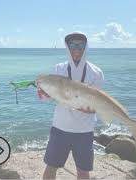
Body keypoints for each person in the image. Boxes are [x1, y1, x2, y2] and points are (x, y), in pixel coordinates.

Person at [41, 32, 104, 179]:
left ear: (86, 47)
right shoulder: (58, 69)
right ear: (67, 47)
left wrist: (89, 109)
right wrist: (43, 93)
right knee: (51, 167)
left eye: (80, 45)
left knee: (83, 171)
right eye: (72, 45)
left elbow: (96, 105)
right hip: (60, 128)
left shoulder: (96, 73)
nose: (77, 48)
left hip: (85, 131)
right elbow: (45, 97)